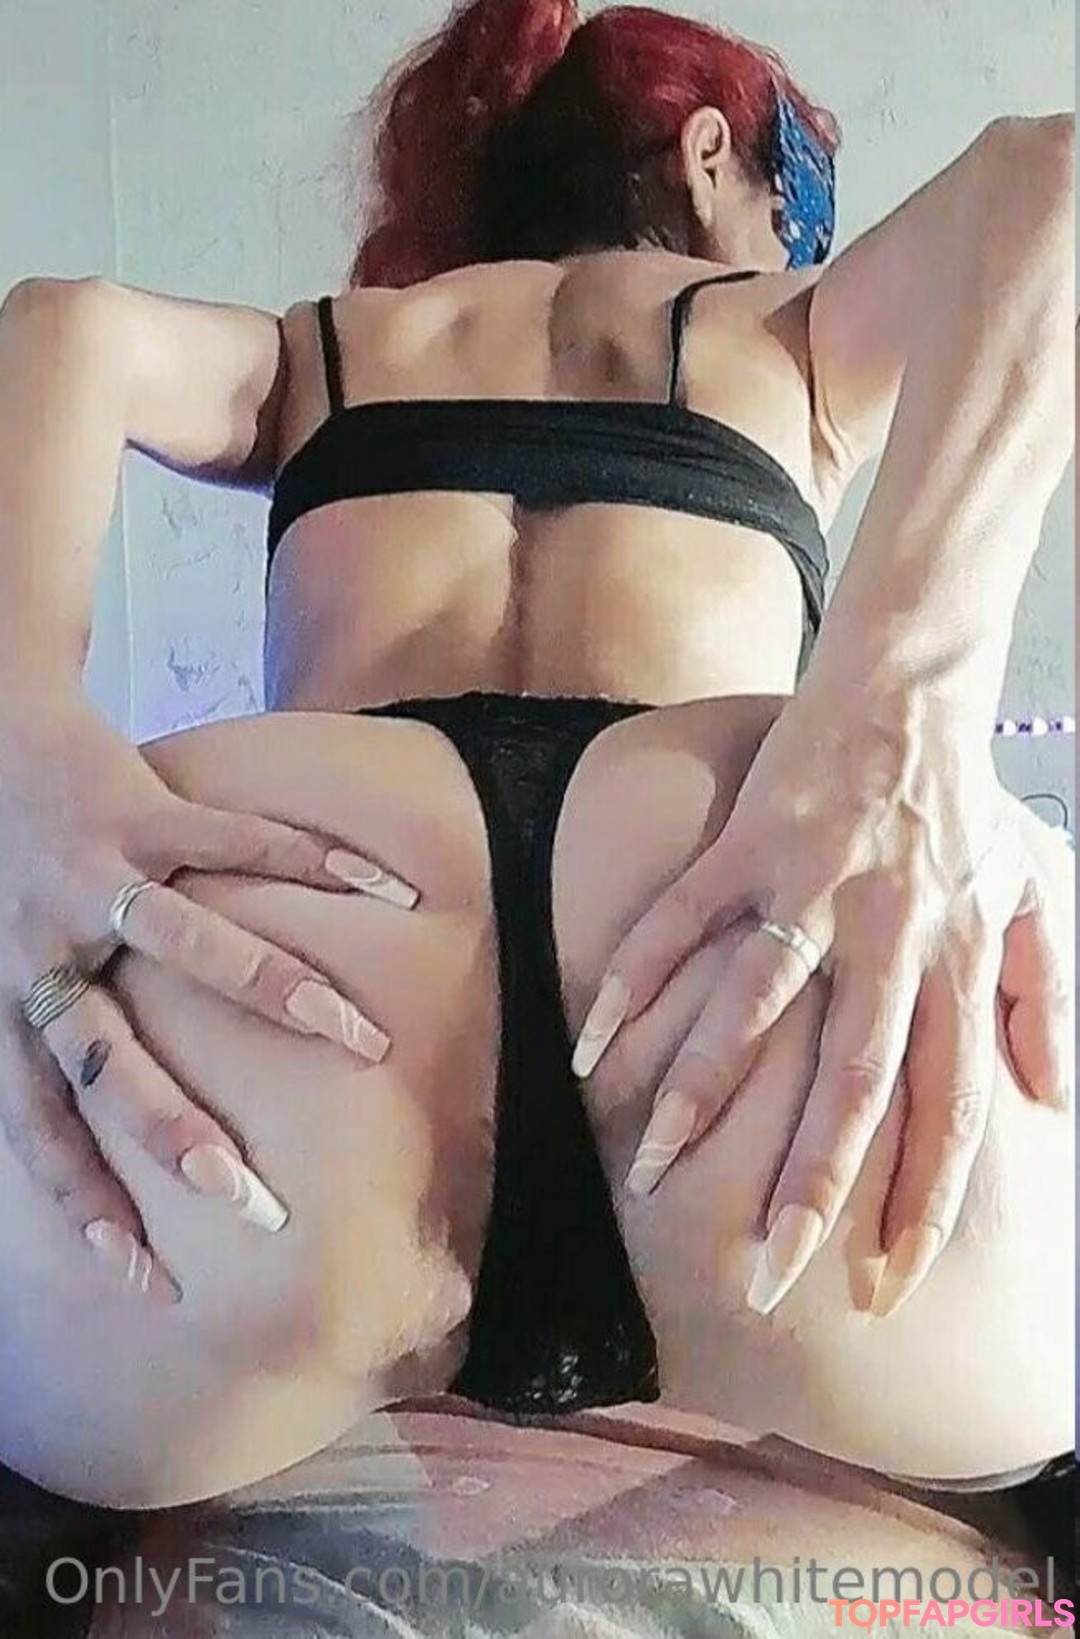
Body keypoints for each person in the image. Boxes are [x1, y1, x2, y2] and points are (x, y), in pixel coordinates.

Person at [0, 0, 1072, 1577]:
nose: (800, 240)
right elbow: (1049, 177)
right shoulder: (782, 326)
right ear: (710, 154)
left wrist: (24, 729)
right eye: (797, 200)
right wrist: (909, 693)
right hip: (724, 975)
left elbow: (58, 321)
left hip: (306, 984)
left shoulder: (333, 346)